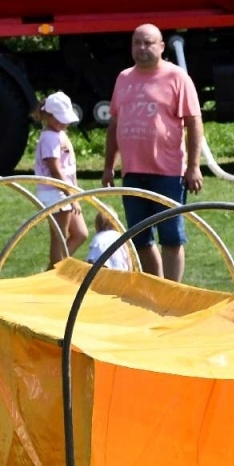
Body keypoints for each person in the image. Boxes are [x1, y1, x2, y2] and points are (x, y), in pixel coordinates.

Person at [101, 23, 205, 282]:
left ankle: (173, 291)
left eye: (148, 43)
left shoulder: (176, 77)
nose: (142, 48)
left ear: (161, 46)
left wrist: (194, 166)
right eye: (137, 43)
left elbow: (193, 122)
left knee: (171, 236)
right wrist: (108, 165)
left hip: (168, 171)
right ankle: (157, 288)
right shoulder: (124, 78)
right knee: (139, 237)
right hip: (133, 171)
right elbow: (115, 123)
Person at [32, 91, 88, 267]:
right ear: (48, 116)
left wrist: (75, 192)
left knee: (80, 233)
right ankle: (54, 271)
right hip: (55, 193)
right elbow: (55, 169)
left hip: (65, 192)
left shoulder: (58, 134)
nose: (64, 123)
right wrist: (71, 196)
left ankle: (54, 268)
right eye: (59, 119)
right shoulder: (49, 137)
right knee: (60, 236)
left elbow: (68, 168)